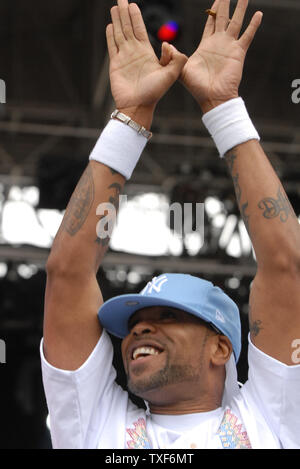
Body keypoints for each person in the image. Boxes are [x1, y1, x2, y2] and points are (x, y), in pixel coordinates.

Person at [41, 0, 300, 449]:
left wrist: (222, 106)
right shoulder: (93, 422)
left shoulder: (273, 417)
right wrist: (132, 116)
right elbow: (67, 275)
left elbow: (287, 266)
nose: (140, 329)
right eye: (137, 321)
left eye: (169, 317)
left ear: (221, 349)